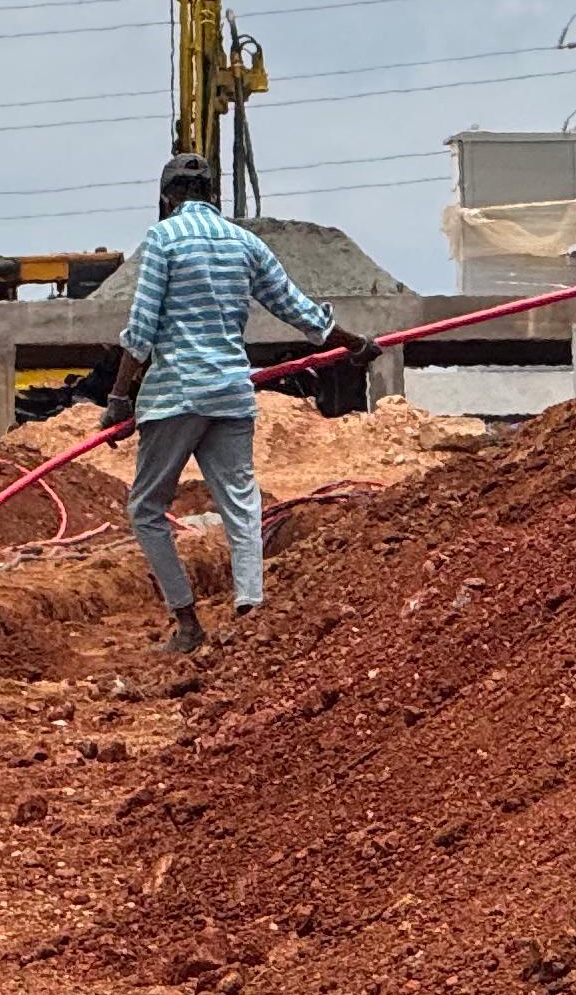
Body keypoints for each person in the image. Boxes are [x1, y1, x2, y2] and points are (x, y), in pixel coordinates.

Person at [104, 152, 376, 654]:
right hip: (232, 391)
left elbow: (141, 329)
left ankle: (187, 625)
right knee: (241, 503)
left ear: (166, 198)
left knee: (146, 508)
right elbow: (295, 306)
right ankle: (251, 610)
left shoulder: (162, 239)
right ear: (214, 195)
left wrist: (120, 397)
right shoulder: (246, 243)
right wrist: (352, 341)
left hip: (176, 395)